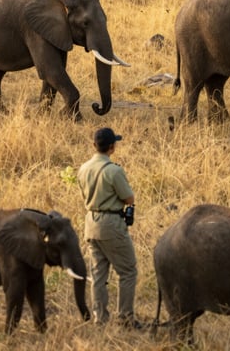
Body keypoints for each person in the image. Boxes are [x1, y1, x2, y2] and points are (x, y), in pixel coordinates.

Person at [77, 127, 140, 329]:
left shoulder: (83, 168)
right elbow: (129, 198)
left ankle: (100, 318)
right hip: (111, 223)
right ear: (112, 147)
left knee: (98, 275)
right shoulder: (114, 171)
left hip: (90, 223)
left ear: (94, 145)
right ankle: (125, 318)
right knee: (128, 271)